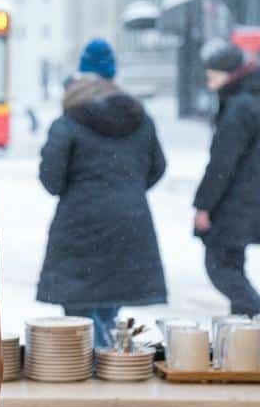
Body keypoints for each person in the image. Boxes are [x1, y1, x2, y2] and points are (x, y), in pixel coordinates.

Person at [37, 39, 167, 348]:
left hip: (80, 226)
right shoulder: (139, 117)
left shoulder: (69, 121)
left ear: (82, 75)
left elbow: (51, 180)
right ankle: (110, 358)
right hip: (129, 223)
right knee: (110, 303)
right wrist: (126, 190)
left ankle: (96, 362)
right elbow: (158, 167)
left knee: (79, 316)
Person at [193, 41, 260, 316]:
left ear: (230, 74)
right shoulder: (256, 102)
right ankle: (244, 338)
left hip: (235, 202)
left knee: (220, 268)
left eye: (213, 77)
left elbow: (221, 164)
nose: (209, 84)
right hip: (251, 198)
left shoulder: (238, 109)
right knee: (233, 267)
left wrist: (204, 206)